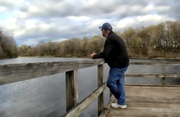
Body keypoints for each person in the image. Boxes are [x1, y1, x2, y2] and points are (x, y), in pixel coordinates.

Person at [90, 23, 129, 109]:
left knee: (110, 83)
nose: (101, 32)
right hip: (123, 64)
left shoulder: (111, 39)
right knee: (119, 83)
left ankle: (120, 98)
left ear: (104, 30)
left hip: (119, 65)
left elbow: (106, 54)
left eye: (101, 30)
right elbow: (110, 53)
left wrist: (94, 56)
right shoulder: (115, 37)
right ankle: (122, 103)